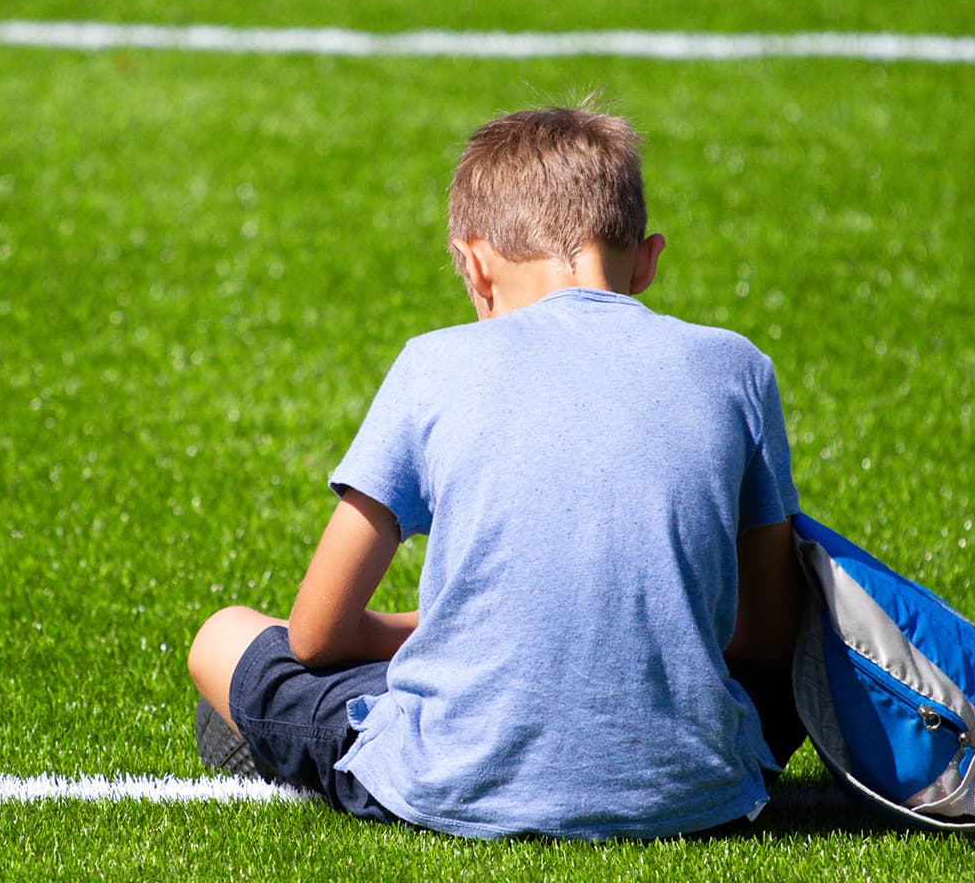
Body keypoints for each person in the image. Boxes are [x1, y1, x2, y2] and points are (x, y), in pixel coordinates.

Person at [187, 104, 807, 839]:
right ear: (647, 259)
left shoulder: (433, 363)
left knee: (224, 636)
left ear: (476, 263)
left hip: (453, 774)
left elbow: (317, 635)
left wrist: (450, 627)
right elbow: (769, 640)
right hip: (701, 789)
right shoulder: (737, 366)